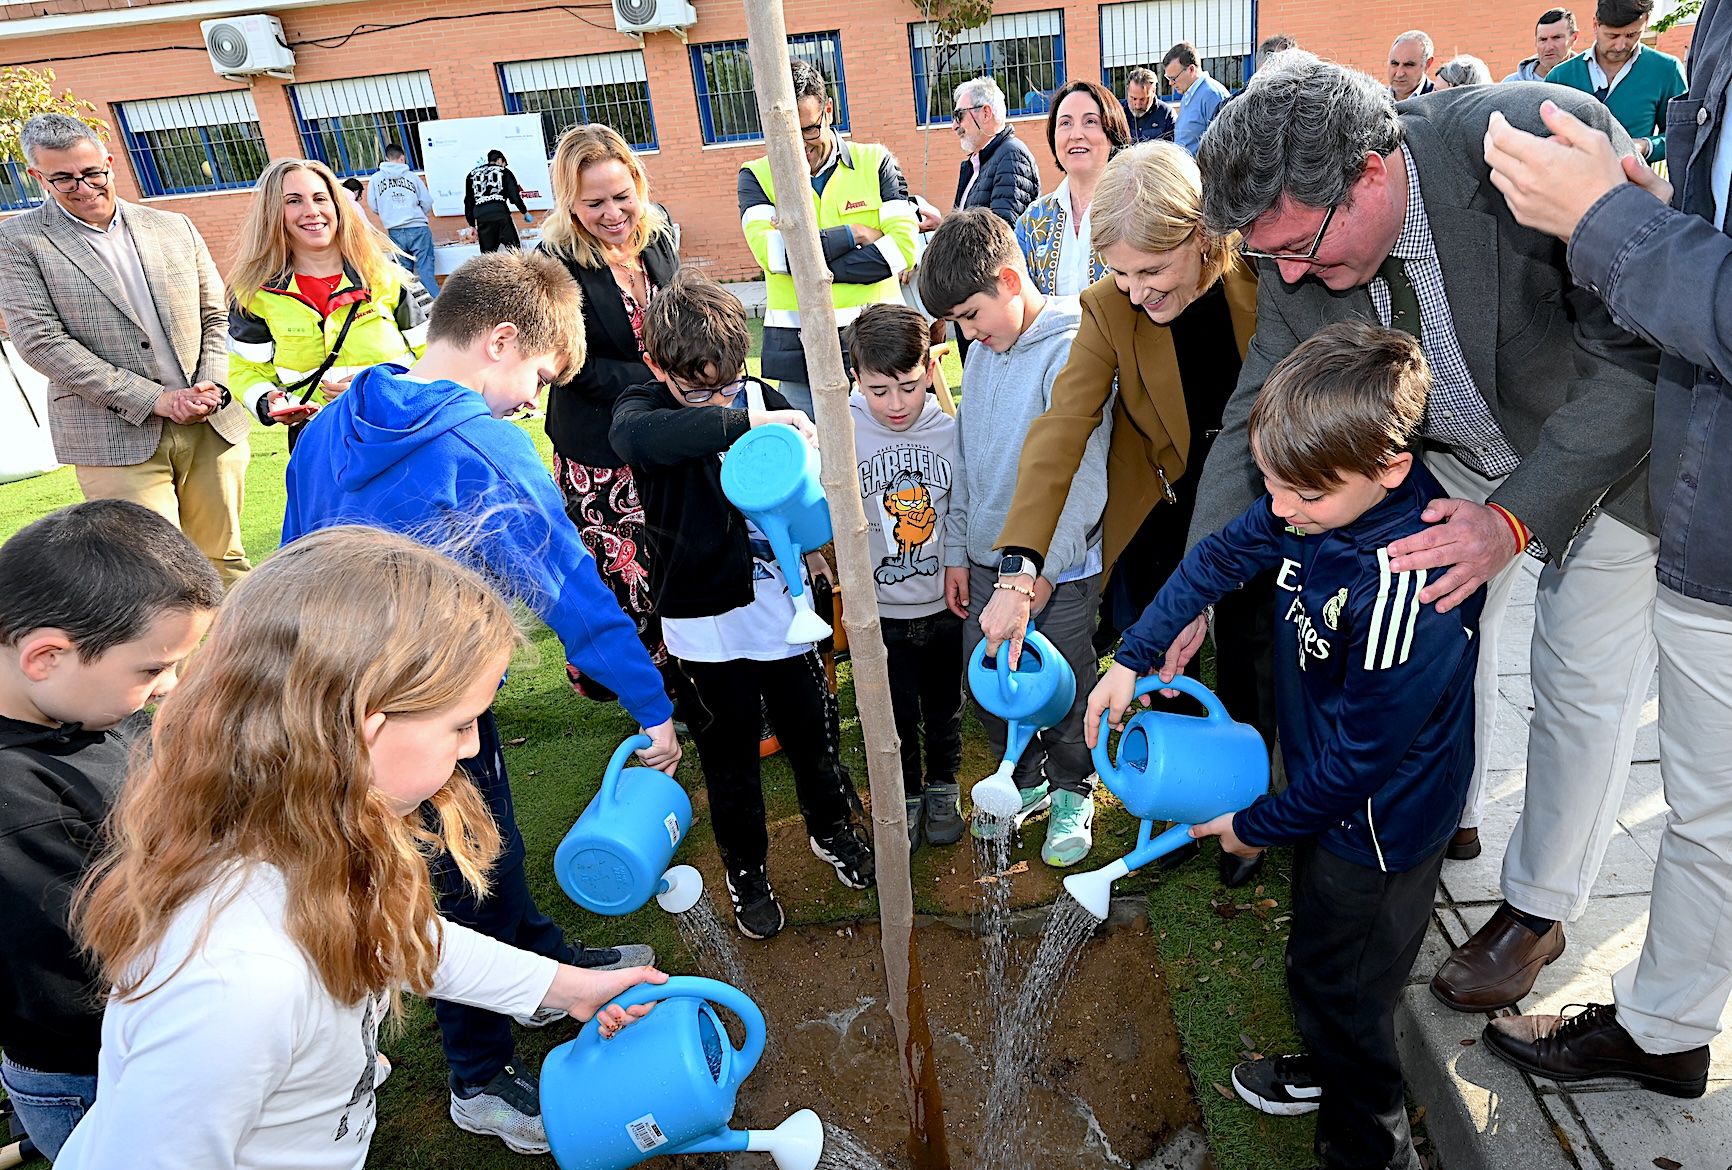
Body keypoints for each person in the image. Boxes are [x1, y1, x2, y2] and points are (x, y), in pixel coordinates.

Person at [1187, 55, 1661, 1026]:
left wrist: (1512, 520)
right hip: (1446, 454)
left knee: (1577, 677)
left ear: (1367, 173)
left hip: (1602, 453)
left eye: (1299, 249)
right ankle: (1453, 810)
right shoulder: (1296, 243)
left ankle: (1536, 910)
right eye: (1269, 259)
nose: (1289, 277)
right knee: (1426, 623)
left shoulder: (1532, 140)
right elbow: (1256, 409)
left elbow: (1635, 360)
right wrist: (1195, 589)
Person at [54, 526, 664, 1170]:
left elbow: (396, 933)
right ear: (363, 731)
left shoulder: (303, 839)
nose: (472, 748)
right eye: (461, 725)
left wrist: (565, 987)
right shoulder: (237, 982)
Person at [280, 250, 677, 1153]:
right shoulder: (482, 446)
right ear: (500, 341)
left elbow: (291, 570)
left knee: (481, 851)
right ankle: (479, 1076)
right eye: (537, 377)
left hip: (334, 697)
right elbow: (568, 584)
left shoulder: (336, 418)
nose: (533, 402)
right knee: (465, 871)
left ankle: (536, 963)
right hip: (419, 714)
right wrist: (651, 704)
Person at [1087, 322, 1482, 1170]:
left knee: (1352, 989)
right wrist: (1133, 654)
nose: (1278, 509)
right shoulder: (1316, 497)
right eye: (1267, 483)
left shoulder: (1406, 588)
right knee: (1320, 959)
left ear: (1391, 469)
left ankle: (1368, 1137)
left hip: (1377, 828)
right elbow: (1219, 557)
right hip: (1326, 797)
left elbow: (1360, 764)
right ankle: (1331, 1060)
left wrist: (1254, 826)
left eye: (1299, 494)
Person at [1472, 0, 1732, 1092]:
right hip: (1688, 446)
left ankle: (1664, 1029)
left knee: (1711, 802)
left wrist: (1609, 224)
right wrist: (1665, 212)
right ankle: (1631, 993)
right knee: (1643, 738)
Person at [987, 142, 1273, 887]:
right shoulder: (1108, 307)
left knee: (1256, 658)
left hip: (1266, 502)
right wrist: (1018, 569)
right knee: (1165, 665)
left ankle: (1248, 813)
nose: (1136, 291)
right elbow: (1061, 428)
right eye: (1119, 271)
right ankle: (1178, 805)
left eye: (1151, 271)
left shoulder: (1264, 278)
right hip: (1165, 511)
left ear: (1202, 235)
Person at [611, 271, 876, 940]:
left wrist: (818, 543)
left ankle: (831, 829)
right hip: (703, 629)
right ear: (658, 366)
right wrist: (741, 419)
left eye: (729, 383)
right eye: (699, 389)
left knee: (814, 735)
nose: (720, 397)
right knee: (729, 761)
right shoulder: (642, 409)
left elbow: (808, 495)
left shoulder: (763, 396)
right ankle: (747, 870)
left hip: (785, 618)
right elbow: (641, 442)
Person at [0, 500, 221, 1161]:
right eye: (153, 669)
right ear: (46, 656)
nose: (170, 687)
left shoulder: (82, 704)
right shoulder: (19, 811)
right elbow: (78, 989)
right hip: (99, 1074)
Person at [921, 209, 1104, 868]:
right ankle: (1021, 779)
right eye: (958, 323)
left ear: (1007, 278)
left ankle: (1071, 788)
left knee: (1064, 683)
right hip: (984, 563)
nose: (969, 333)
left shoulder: (1074, 347)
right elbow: (968, 463)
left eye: (972, 315)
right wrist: (957, 552)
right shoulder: (983, 352)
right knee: (992, 682)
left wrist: (1035, 579)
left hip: (1060, 570)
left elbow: (1080, 479)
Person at [0, 113, 252, 586]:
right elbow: (40, 341)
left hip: (209, 425)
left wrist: (211, 385)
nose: (84, 187)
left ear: (110, 162)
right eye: (63, 178)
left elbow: (215, 315)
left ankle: (241, 640)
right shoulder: (18, 241)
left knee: (226, 564)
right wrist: (155, 400)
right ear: (37, 176)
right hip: (111, 435)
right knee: (153, 578)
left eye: (92, 172)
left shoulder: (173, 225)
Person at [540, 123, 682, 704]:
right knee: (628, 579)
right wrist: (658, 379)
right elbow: (563, 361)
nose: (613, 213)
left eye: (622, 196)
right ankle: (653, 697)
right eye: (594, 202)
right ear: (569, 203)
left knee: (676, 560)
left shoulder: (657, 238)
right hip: (599, 453)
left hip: (667, 435)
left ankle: (694, 679)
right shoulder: (553, 262)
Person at [845, 303, 964, 849]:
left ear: (931, 370)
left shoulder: (950, 432)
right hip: (878, 615)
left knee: (943, 707)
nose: (896, 404)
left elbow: (961, 510)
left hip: (942, 607)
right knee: (893, 712)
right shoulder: (842, 431)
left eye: (910, 387)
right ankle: (907, 793)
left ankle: (943, 788)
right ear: (855, 379)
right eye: (879, 390)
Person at [740, 59, 920, 417]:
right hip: (799, 353)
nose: (798, 147)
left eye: (808, 130)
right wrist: (855, 234)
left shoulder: (877, 161)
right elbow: (773, 255)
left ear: (828, 110)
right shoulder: (755, 176)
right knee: (809, 448)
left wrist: (804, 259)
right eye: (785, 135)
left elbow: (902, 250)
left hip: (881, 344)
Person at [227, 157, 429, 449]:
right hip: (318, 444)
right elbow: (245, 370)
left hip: (401, 435)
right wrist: (268, 400)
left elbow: (442, 358)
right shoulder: (253, 295)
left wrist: (379, 389)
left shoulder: (392, 279)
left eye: (320, 198)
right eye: (294, 201)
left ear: (337, 206)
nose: (311, 211)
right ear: (273, 214)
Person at [1015, 79, 1131, 297]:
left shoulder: (1137, 208)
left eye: (1090, 121)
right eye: (1065, 123)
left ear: (1112, 133)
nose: (1076, 134)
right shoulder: (1032, 222)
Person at [1545, 0, 1687, 162]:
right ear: (1595, 24)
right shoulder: (1559, 77)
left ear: (1646, 21)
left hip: (1632, 177)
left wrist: (1646, 146)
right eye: (1612, 36)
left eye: (1631, 35)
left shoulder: (1666, 69)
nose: (1620, 46)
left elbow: (1682, 134)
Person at [951, 75, 1042, 225]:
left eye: (959, 115)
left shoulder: (1011, 155)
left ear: (986, 113)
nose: (954, 126)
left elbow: (1001, 233)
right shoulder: (980, 162)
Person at [368, 142, 439, 299]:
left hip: (395, 229)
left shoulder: (375, 179)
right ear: (402, 158)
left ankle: (413, 307)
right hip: (418, 226)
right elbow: (427, 201)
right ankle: (438, 305)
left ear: (386, 158)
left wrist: (389, 214)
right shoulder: (412, 177)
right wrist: (419, 213)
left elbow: (373, 205)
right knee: (425, 271)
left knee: (404, 275)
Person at [1164, 42, 1232, 155]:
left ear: (1191, 70)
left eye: (1174, 78)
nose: (1170, 83)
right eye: (1168, 78)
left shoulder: (1213, 95)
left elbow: (1224, 145)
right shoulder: (1188, 93)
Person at [465, 148, 533, 253]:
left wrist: (472, 225)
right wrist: (524, 212)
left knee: (488, 256)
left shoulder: (472, 174)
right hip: (500, 214)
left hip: (482, 218)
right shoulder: (504, 171)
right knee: (515, 252)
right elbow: (514, 196)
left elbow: (468, 201)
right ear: (500, 160)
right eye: (504, 164)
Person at [1503, 8, 1580, 81]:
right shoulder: (1511, 84)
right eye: (1543, 39)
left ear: (1574, 37)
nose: (1549, 47)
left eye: (1556, 38)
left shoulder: (1586, 80)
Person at [1122, 66, 1176, 143]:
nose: (1137, 105)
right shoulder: (1117, 112)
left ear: (1154, 91)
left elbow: (1175, 146)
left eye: (1143, 99)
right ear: (1127, 91)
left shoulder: (1166, 114)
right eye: (1133, 98)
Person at [1387, 31, 1438, 100]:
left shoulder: (1441, 100)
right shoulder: (1375, 99)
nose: (1399, 74)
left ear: (1427, 64)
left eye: (1408, 65)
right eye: (1394, 63)